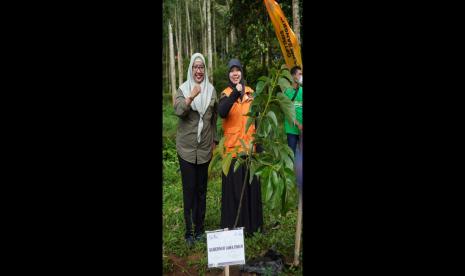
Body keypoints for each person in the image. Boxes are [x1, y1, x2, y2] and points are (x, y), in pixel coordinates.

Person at [174, 53, 218, 247]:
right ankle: (189, 232)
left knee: (202, 190)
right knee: (189, 190)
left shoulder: (212, 91)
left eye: (201, 67)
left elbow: (214, 118)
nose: (199, 70)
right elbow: (179, 111)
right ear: (191, 69)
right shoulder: (183, 89)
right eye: (195, 67)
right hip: (186, 149)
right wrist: (192, 95)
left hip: (205, 149)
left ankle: (200, 229)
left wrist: (215, 140)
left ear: (205, 69)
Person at [218, 59, 263, 235]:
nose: (235, 73)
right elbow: (222, 112)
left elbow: (257, 120)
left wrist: (259, 146)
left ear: (242, 73)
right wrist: (235, 95)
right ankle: (235, 229)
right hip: (233, 151)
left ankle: (253, 228)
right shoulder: (225, 94)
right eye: (232, 71)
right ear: (228, 74)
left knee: (251, 191)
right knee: (235, 193)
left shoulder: (252, 93)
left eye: (237, 70)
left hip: (249, 150)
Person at [284, 66, 303, 157]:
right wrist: (298, 124)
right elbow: (287, 112)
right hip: (291, 129)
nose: (301, 76)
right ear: (293, 76)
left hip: (302, 129)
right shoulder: (287, 92)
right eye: (299, 74)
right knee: (292, 155)